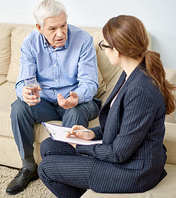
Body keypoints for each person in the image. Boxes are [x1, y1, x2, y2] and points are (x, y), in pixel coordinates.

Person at [38, 14, 176, 197]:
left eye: (104, 46)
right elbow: (121, 125)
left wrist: (78, 146)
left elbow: (119, 153)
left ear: (117, 50)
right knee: (49, 146)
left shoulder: (141, 90)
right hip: (123, 156)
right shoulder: (128, 74)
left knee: (46, 168)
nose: (103, 50)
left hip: (133, 171)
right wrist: (91, 134)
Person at [6, 0, 101, 195]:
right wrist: (25, 92)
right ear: (39, 28)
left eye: (63, 26)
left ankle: (70, 175)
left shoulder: (82, 39)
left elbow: (90, 84)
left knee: (74, 112)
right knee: (19, 107)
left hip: (78, 101)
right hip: (46, 102)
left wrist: (76, 96)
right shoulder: (30, 43)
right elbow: (23, 82)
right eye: (53, 28)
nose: (60, 33)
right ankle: (28, 167)